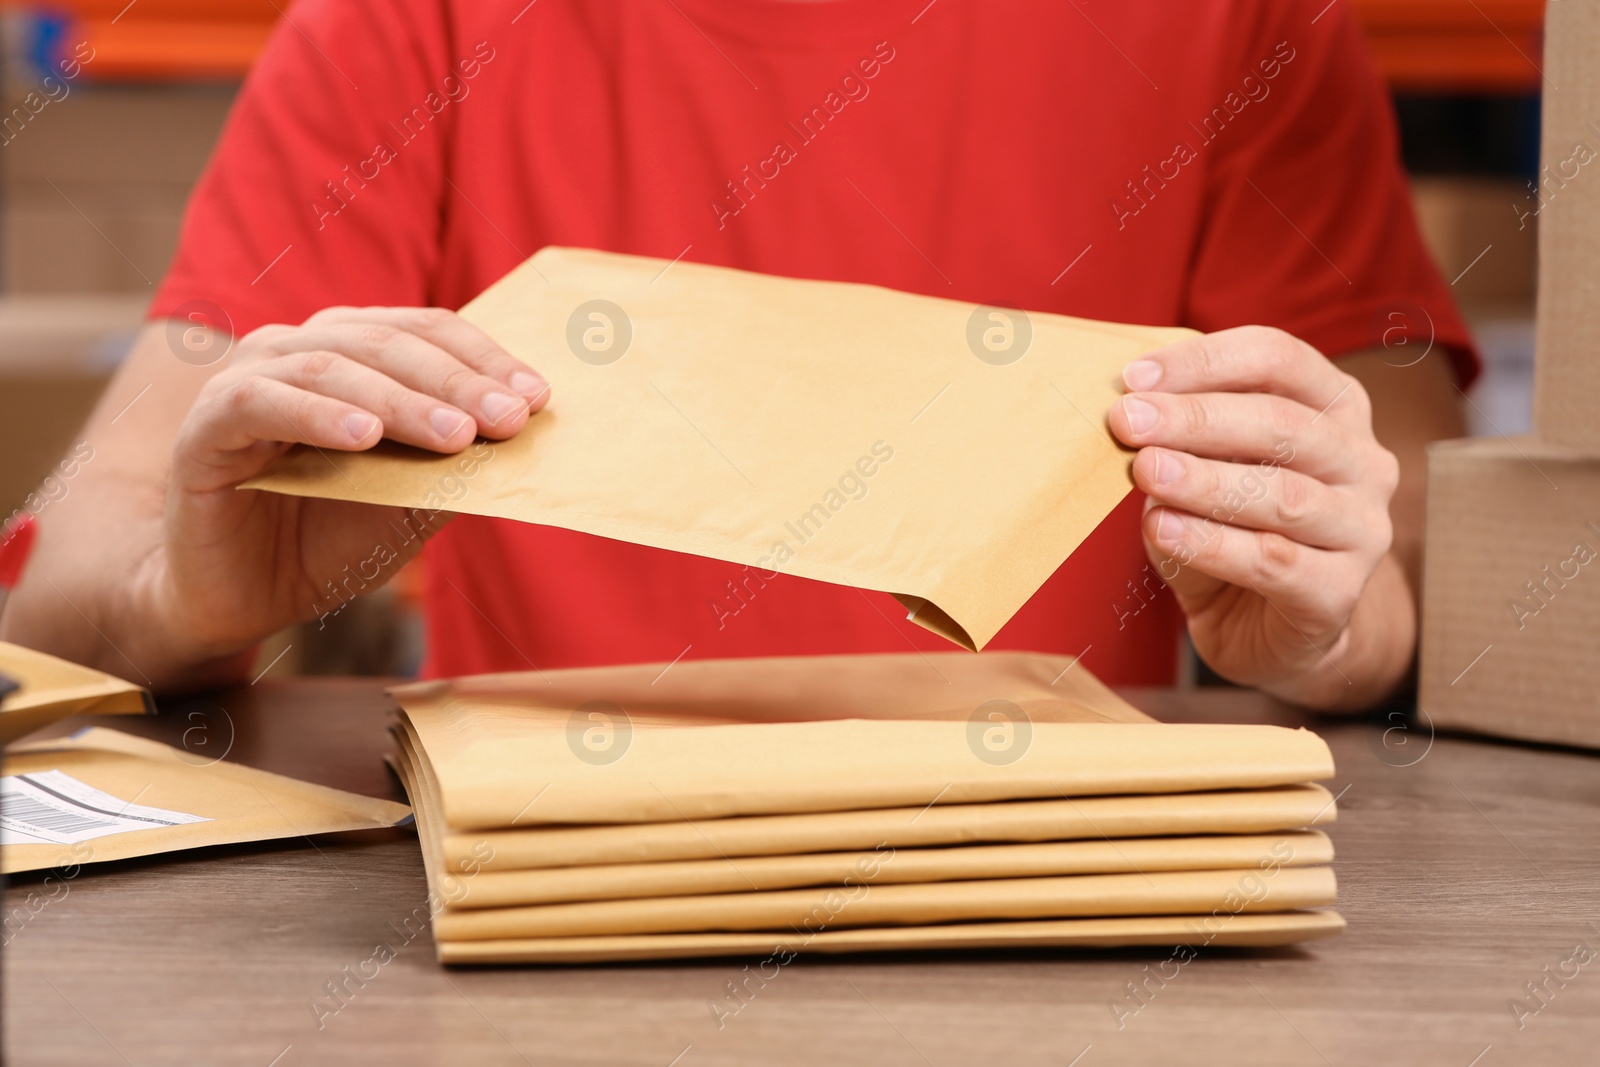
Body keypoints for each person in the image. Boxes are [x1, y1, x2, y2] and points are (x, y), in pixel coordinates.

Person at [0, 0, 1473, 711]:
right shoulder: (410, 18)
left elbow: (1400, 571)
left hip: (1040, 896)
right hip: (543, 899)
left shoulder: (1238, 22)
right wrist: (186, 594)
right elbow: (71, 591)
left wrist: (1332, 628)